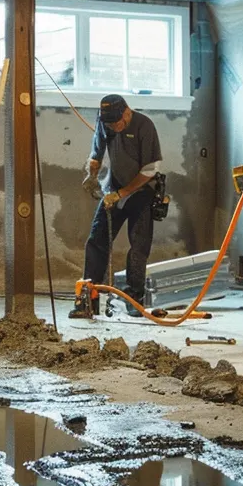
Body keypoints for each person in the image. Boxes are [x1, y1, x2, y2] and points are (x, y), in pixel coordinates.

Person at [72, 94, 162, 319]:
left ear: (127, 113)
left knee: (139, 246)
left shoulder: (144, 126)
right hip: (113, 187)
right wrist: (91, 175)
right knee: (97, 240)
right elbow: (97, 153)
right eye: (108, 123)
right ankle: (88, 300)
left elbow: (150, 170)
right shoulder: (105, 122)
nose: (112, 127)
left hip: (142, 191)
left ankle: (134, 301)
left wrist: (122, 194)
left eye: (116, 122)